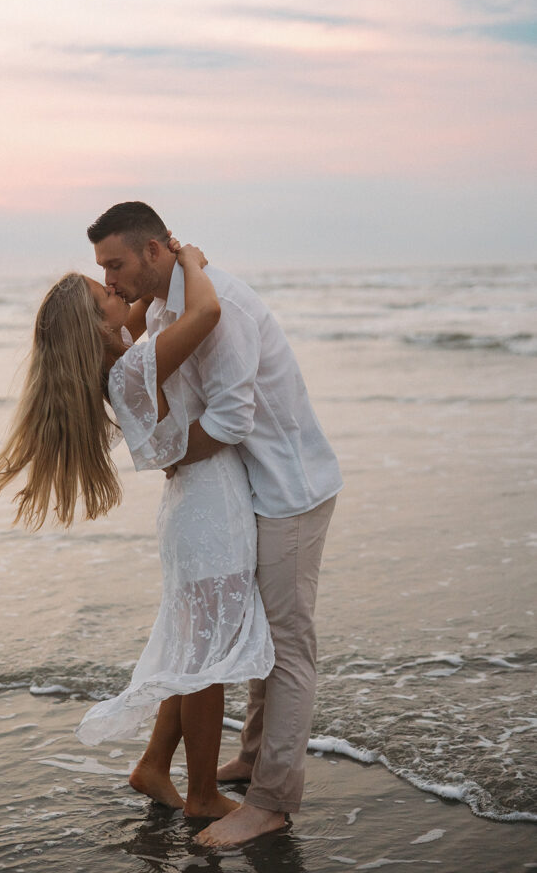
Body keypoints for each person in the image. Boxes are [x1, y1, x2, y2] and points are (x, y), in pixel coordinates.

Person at [0, 242, 274, 819]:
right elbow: (207, 313)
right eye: (101, 294)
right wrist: (190, 261)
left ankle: (154, 766)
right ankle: (203, 795)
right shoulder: (135, 366)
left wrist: (148, 282)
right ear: (94, 325)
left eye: (109, 280)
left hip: (196, 509)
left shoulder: (123, 361)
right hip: (208, 513)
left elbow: (137, 310)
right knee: (204, 667)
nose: (112, 287)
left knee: (194, 653)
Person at [88, 202, 343, 847]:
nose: (112, 280)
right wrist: (173, 459)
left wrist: (172, 457)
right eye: (102, 273)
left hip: (288, 488)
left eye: (116, 264)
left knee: (283, 647)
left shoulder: (213, 303)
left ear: (153, 250)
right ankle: (257, 761)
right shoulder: (175, 306)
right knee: (250, 638)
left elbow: (230, 420)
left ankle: (272, 799)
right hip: (241, 491)